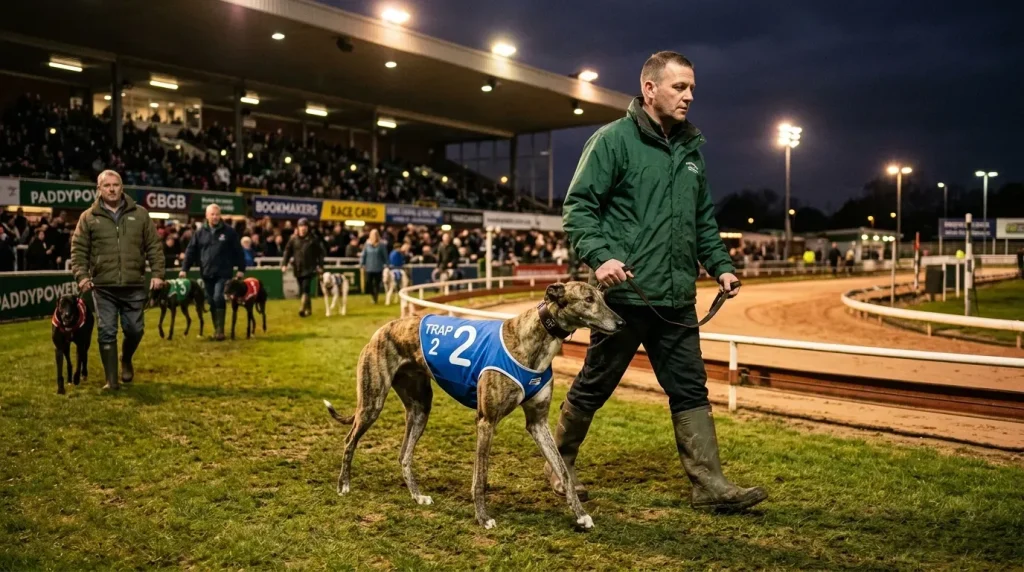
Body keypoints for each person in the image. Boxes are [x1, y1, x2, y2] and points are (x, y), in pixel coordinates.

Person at [557, 51, 765, 511]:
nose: (689, 96)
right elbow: (578, 209)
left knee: (691, 389)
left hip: (675, 300)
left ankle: (710, 487)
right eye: (679, 87)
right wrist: (602, 255)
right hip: (625, 300)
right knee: (595, 384)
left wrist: (721, 265)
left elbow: (702, 222)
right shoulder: (612, 140)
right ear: (650, 89)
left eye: (691, 88)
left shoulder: (692, 152)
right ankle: (559, 467)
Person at [71, 170, 164, 390]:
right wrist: (82, 276)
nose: (112, 189)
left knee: (134, 330)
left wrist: (158, 274)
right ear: (99, 189)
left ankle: (126, 358)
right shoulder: (88, 217)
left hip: (133, 285)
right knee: (107, 331)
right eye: (107, 185)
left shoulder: (141, 214)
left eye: (116, 185)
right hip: (103, 287)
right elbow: (79, 250)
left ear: (122, 187)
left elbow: (154, 247)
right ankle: (111, 381)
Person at [181, 204, 246, 340]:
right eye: (212, 214)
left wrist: (241, 269)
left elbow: (238, 251)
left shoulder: (229, 232)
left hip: (224, 272)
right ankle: (217, 330)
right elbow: (190, 251)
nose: (215, 217)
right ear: (207, 216)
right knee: (211, 301)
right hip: (206, 272)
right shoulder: (199, 233)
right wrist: (184, 269)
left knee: (218, 297)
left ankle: (220, 331)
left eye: (217, 214)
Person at [282, 218, 324, 317]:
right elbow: (287, 252)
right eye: (301, 226)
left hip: (310, 268)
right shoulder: (293, 239)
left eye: (305, 226)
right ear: (298, 227)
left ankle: (302, 308)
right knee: (303, 289)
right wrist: (284, 264)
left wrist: (320, 265)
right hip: (298, 268)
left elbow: (320, 253)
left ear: (308, 228)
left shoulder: (313, 239)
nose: (303, 228)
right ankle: (308, 309)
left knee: (306, 287)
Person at [360, 229, 388, 304]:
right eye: (372, 234)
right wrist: (361, 264)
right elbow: (364, 255)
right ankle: (372, 295)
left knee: (377, 283)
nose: (374, 236)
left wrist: (387, 265)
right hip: (369, 267)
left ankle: (375, 297)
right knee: (368, 283)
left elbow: (385, 255)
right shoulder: (367, 244)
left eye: (375, 234)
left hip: (378, 267)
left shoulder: (381, 245)